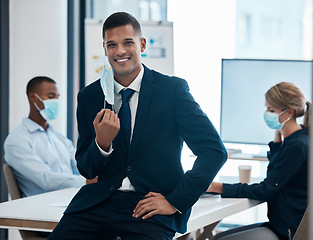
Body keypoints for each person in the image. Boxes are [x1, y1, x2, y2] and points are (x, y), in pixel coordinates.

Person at [48, 12, 227, 240]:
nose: (120, 51)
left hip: (150, 208)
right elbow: (86, 168)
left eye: (128, 42)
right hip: (99, 204)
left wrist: (175, 200)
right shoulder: (90, 96)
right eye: (112, 45)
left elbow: (214, 151)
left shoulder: (171, 91)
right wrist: (101, 144)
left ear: (142, 44)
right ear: (105, 49)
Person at [208, 82, 310, 240]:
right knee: (215, 238)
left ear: (289, 112)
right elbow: (277, 174)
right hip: (280, 224)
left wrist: (218, 187)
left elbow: (266, 189)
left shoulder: (297, 146)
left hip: (287, 230)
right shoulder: (297, 139)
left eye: (271, 110)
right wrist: (277, 139)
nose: (267, 113)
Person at [4, 76, 87, 197]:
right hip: (43, 207)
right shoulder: (16, 140)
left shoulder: (60, 139)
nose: (56, 102)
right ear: (33, 97)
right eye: (50, 96)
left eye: (57, 97)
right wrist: (86, 182)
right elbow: (45, 179)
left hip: (72, 200)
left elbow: (80, 168)